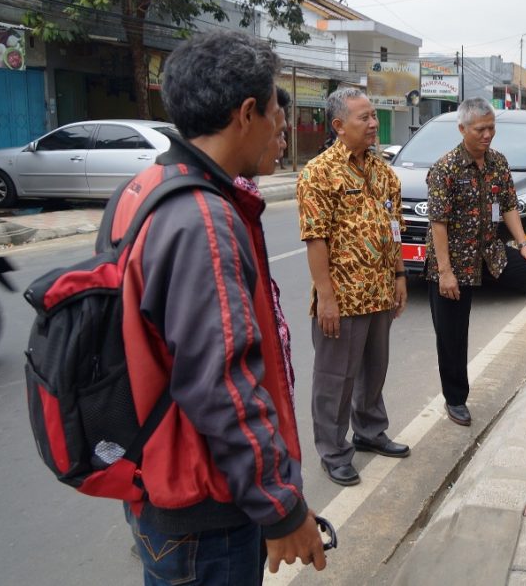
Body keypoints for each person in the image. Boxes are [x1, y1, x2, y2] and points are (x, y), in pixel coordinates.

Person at [116, 30, 325, 584]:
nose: (283, 128)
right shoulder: (204, 220)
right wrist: (281, 508)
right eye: (278, 112)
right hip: (206, 508)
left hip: (158, 482)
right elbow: (224, 387)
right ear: (248, 112)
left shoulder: (144, 188)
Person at [427, 98, 526, 427]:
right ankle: (455, 399)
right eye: (480, 129)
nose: (487, 135)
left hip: (491, 253)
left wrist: (522, 244)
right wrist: (444, 272)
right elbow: (438, 223)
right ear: (462, 129)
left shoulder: (498, 162)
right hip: (454, 263)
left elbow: (510, 205)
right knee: (452, 334)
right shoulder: (445, 168)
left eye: (491, 128)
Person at [297, 87, 410, 487]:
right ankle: (333, 450)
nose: (374, 124)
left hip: (379, 290)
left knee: (373, 371)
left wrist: (399, 276)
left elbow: (393, 229)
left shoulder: (383, 172)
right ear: (339, 125)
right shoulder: (319, 173)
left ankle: (370, 431)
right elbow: (316, 239)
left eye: (374, 116)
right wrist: (325, 298)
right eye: (364, 118)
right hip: (341, 298)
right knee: (335, 379)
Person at [234, 87, 295, 401]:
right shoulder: (216, 209)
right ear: (247, 116)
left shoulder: (241, 197)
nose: (282, 143)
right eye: (278, 129)